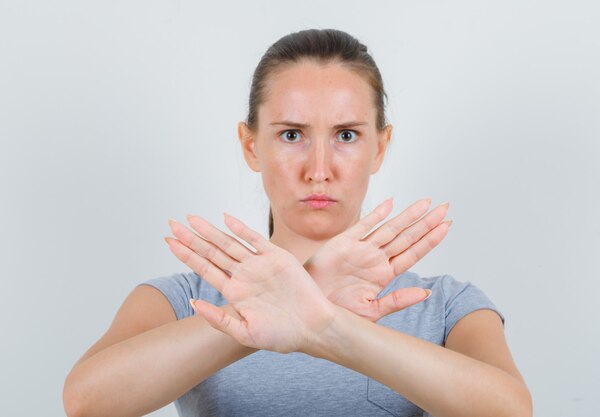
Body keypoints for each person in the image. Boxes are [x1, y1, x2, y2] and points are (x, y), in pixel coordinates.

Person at [63, 29, 532, 417]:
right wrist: (255, 315)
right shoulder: (185, 300)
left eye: (346, 135)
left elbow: (510, 410)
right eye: (292, 135)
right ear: (251, 146)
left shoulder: (446, 305)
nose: (319, 169)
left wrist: (327, 325)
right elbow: (88, 402)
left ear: (380, 147)